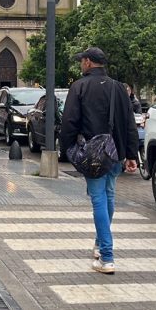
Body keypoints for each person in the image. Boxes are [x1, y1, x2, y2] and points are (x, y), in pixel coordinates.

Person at [59, 47, 139, 275]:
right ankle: (98, 245)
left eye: (81, 61)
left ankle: (107, 256)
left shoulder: (80, 86)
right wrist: (131, 154)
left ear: (88, 62)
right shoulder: (118, 88)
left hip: (92, 154)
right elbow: (129, 123)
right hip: (115, 153)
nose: (80, 65)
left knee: (98, 200)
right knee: (109, 195)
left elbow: (69, 122)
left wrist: (65, 150)